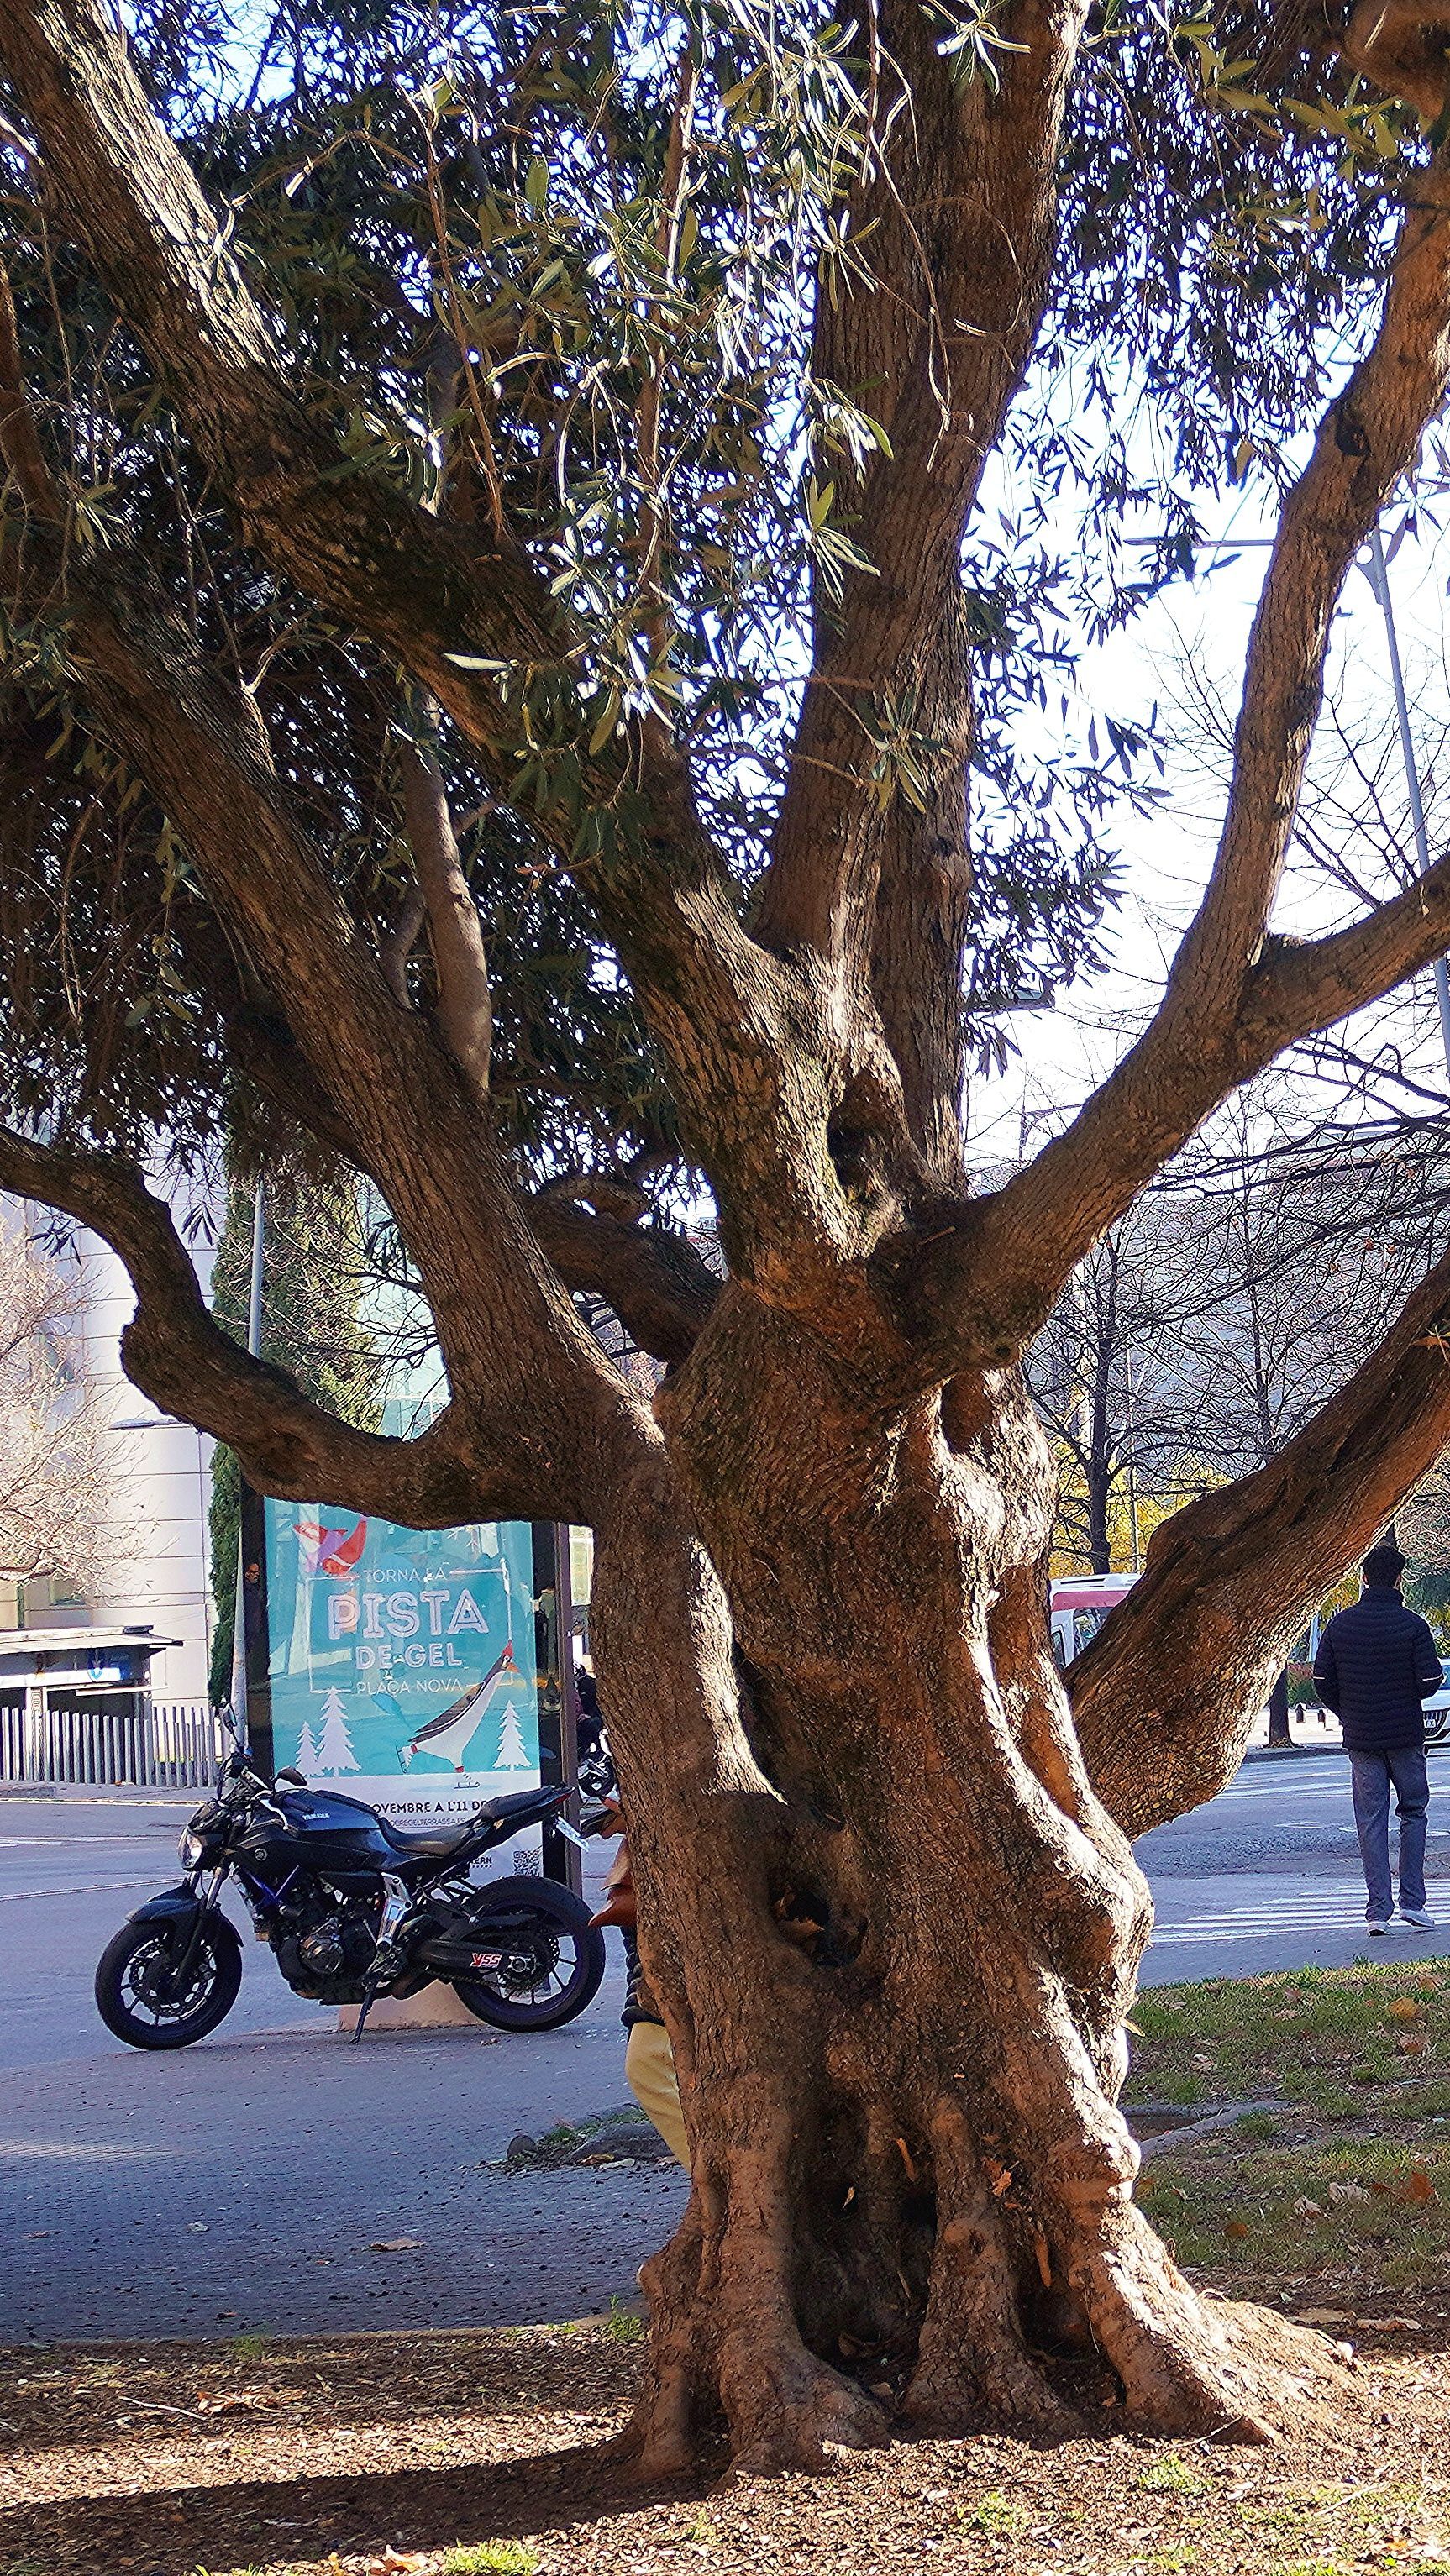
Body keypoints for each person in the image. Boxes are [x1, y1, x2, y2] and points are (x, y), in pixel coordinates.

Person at [1313, 1544, 1442, 1934]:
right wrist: (1404, 1696)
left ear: (1364, 1578)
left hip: (1362, 1738)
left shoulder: (1340, 1626)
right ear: (1399, 1579)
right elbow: (1430, 1680)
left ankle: (1377, 1911)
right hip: (1405, 1735)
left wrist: (1348, 1711)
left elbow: (1322, 1681)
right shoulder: (1413, 1626)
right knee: (1413, 1812)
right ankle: (1413, 1903)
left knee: (1371, 1820)